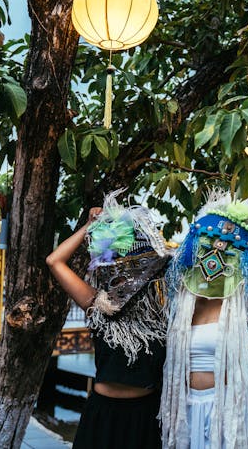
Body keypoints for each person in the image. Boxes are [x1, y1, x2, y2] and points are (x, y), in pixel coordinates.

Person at [46, 190, 171, 449]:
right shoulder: (97, 304)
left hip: (145, 417)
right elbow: (54, 261)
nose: (124, 272)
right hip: (102, 415)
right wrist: (89, 226)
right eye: (116, 262)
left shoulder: (164, 308)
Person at [161, 191, 248, 448]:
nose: (214, 256)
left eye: (227, 249)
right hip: (186, 416)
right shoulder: (180, 298)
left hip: (234, 417)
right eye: (206, 245)